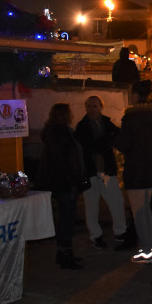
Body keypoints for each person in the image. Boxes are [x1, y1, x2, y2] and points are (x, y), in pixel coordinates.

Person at [115, 80, 152, 264]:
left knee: (139, 212)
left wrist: (113, 137)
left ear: (135, 96)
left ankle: (147, 251)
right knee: (147, 211)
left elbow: (123, 144)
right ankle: (151, 247)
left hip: (136, 170)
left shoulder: (131, 118)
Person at [75, 96, 127, 250]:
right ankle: (95, 235)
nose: (92, 110)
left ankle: (120, 231)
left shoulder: (106, 122)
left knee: (116, 200)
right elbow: (89, 147)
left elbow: (116, 137)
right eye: (89, 106)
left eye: (94, 106)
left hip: (106, 170)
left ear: (100, 107)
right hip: (91, 171)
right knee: (92, 206)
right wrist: (106, 140)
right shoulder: (82, 126)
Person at [38, 103, 85, 269]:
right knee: (67, 218)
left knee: (66, 217)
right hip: (64, 183)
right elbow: (65, 162)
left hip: (60, 182)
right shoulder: (61, 133)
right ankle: (65, 253)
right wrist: (73, 181)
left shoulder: (54, 132)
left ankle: (63, 252)